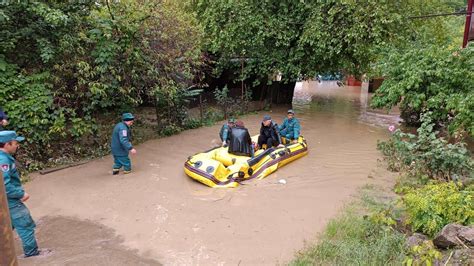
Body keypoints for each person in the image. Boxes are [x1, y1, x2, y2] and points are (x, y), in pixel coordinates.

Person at [0, 131, 43, 257]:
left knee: (6, 225)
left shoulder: (4, 157)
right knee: (25, 225)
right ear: (7, 144)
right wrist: (20, 194)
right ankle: (32, 253)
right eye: (15, 143)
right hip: (10, 200)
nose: (17, 145)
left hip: (5, 200)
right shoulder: (3, 161)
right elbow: (4, 185)